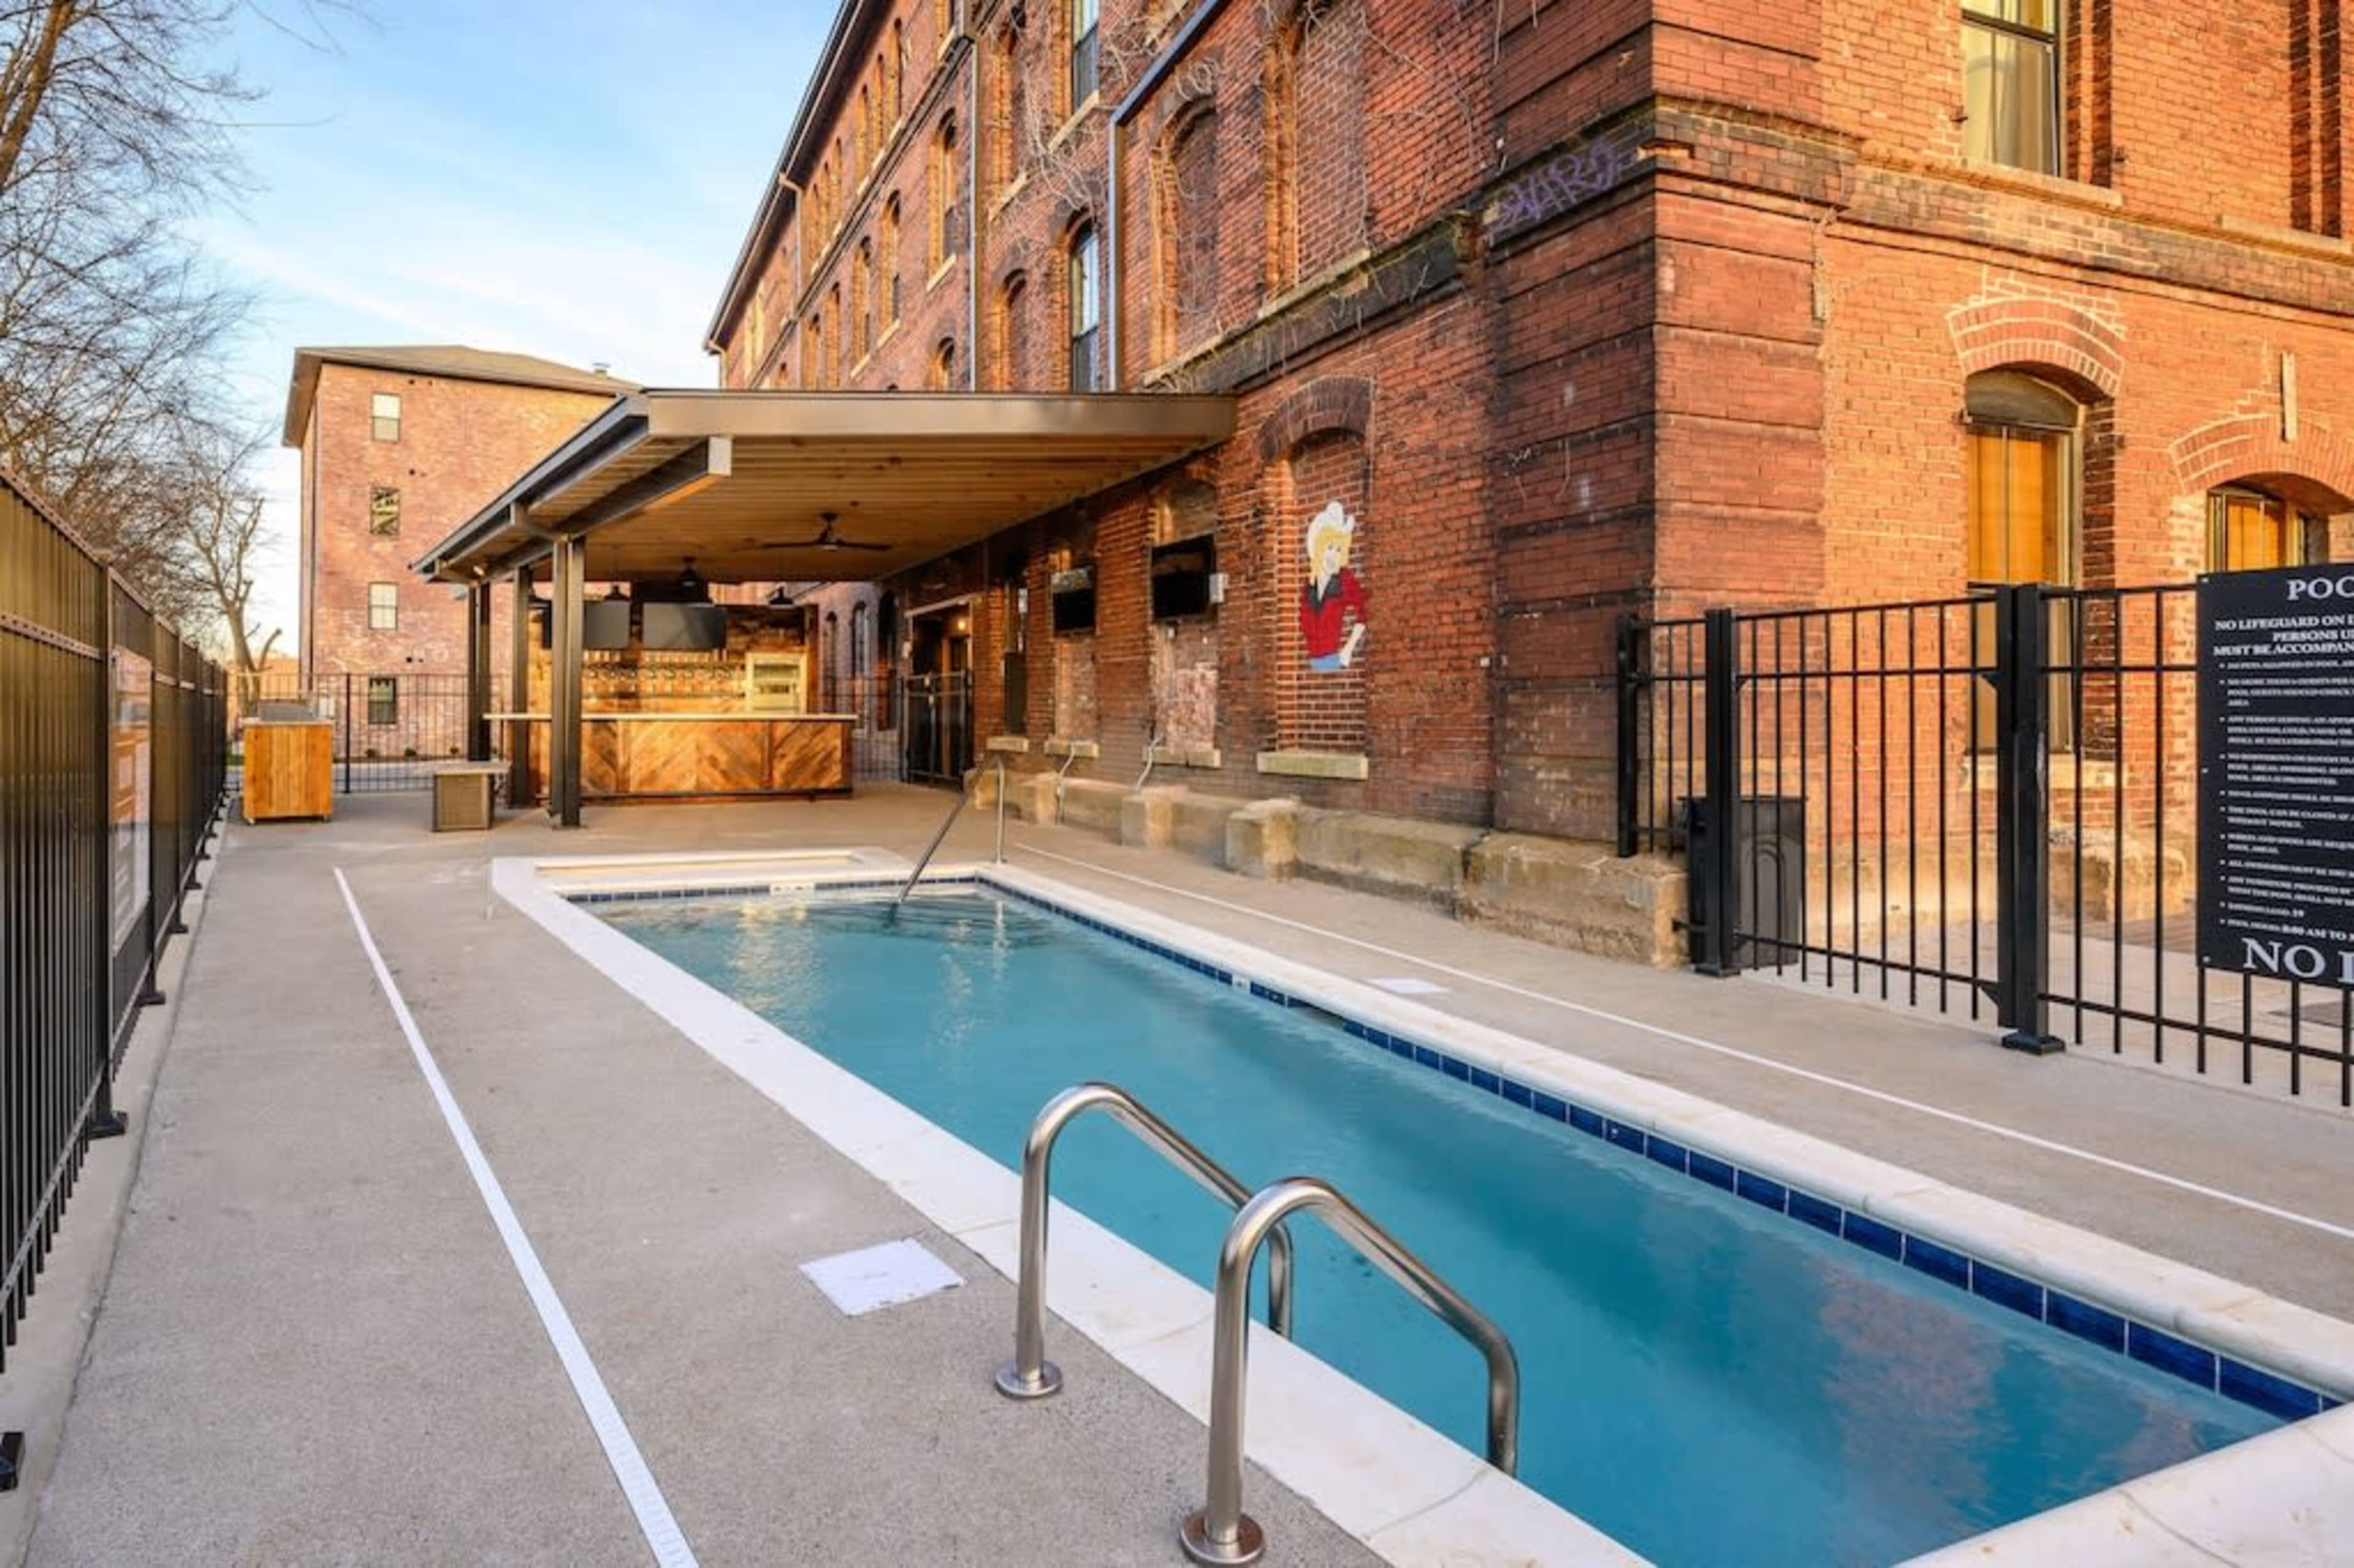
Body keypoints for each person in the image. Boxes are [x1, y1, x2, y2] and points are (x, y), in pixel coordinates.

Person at [1299, 500, 1367, 671]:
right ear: (1319, 548)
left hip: (1334, 660)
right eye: (1330, 547)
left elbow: (1365, 610)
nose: (1333, 556)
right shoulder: (1310, 586)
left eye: (1339, 550)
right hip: (1314, 663)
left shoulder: (1345, 580)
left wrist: (1349, 649)